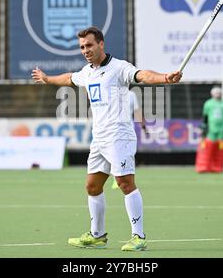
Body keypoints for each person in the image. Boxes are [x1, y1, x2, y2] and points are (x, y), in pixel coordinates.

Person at [32, 26, 182, 251]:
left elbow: (143, 75)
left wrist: (164, 78)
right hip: (99, 138)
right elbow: (69, 78)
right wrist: (47, 78)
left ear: (101, 44)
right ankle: (97, 235)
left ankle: (139, 237)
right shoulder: (87, 71)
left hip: (119, 136)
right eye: (82, 47)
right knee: (92, 186)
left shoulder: (119, 68)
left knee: (125, 184)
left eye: (89, 45)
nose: (85, 50)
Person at [111, 87, 148, 190]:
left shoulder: (130, 94)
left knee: (125, 153)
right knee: (120, 152)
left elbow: (137, 111)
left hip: (125, 127)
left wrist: (143, 126)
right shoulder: (112, 93)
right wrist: (144, 127)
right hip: (118, 128)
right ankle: (117, 176)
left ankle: (121, 177)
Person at [195, 86, 223, 173]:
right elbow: (205, 117)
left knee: (220, 150)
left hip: (222, 130)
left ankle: (217, 168)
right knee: (207, 149)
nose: (218, 94)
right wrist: (203, 128)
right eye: (216, 93)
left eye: (219, 93)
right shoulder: (208, 104)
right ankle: (203, 167)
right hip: (211, 130)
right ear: (212, 94)